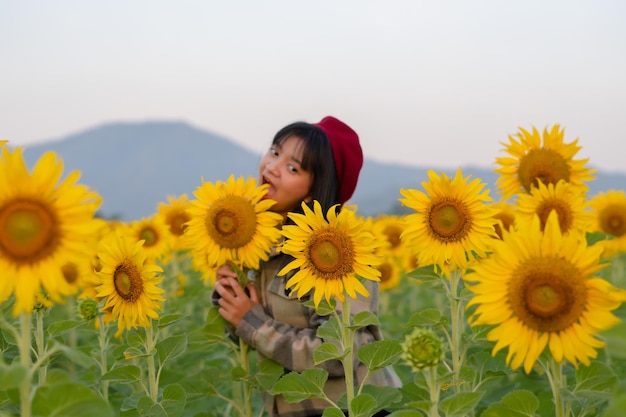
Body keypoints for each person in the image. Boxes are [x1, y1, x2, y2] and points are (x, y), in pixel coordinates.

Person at [212, 116, 401, 417]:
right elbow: (245, 337)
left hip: (355, 408)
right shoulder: (262, 243)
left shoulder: (338, 253)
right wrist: (229, 296)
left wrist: (252, 322)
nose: (271, 167)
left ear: (314, 190)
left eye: (293, 167)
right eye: (274, 152)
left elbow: (338, 355)